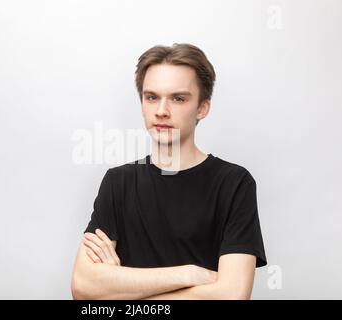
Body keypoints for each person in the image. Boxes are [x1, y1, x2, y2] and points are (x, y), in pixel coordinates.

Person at [71, 43, 267, 300]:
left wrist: (120, 290)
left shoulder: (234, 183)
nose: (161, 111)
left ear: (202, 107)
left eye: (178, 98)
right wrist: (186, 274)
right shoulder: (118, 183)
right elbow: (83, 286)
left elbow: (231, 295)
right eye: (151, 97)